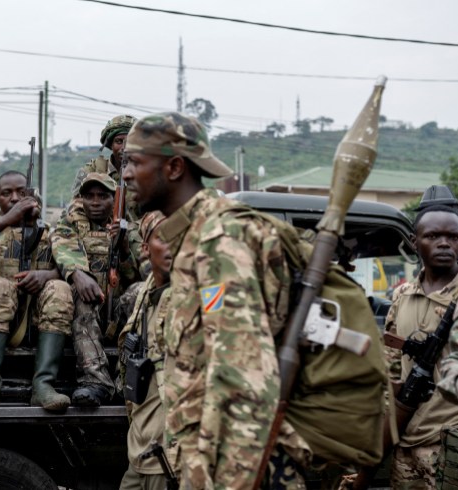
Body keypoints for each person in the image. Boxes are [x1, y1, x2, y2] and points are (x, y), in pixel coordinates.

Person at [122, 112, 310, 488]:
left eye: (135, 162)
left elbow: (244, 379)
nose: (125, 174)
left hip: (239, 468)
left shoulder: (219, 239)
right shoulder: (193, 239)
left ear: (174, 167)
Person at [0, 170, 73, 413]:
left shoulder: (51, 232)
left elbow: (73, 268)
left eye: (22, 192)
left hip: (39, 323)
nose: (15, 198)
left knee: (60, 287)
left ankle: (43, 385)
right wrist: (6, 221)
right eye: (7, 194)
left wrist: (46, 276)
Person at [386, 204, 458, 488]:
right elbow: (393, 365)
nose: (444, 243)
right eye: (433, 236)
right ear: (414, 242)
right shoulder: (402, 296)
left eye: (454, 237)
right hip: (406, 442)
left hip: (454, 444)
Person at [51, 172, 141, 407]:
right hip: (90, 312)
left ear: (115, 200)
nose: (95, 202)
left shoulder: (130, 228)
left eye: (103, 196)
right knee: (81, 297)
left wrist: (123, 249)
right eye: (89, 196)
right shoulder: (69, 224)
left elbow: (135, 276)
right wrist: (78, 273)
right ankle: (96, 382)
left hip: (120, 315)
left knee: (140, 293)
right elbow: (64, 248)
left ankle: (125, 381)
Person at [118, 211, 176, 490]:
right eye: (164, 238)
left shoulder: (195, 296)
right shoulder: (145, 294)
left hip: (170, 458)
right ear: (145, 248)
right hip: (140, 450)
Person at [70, 114, 136, 200]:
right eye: (119, 141)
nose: (124, 148)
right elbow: (76, 207)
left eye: (130, 142)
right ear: (111, 145)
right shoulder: (93, 170)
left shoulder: (148, 173)